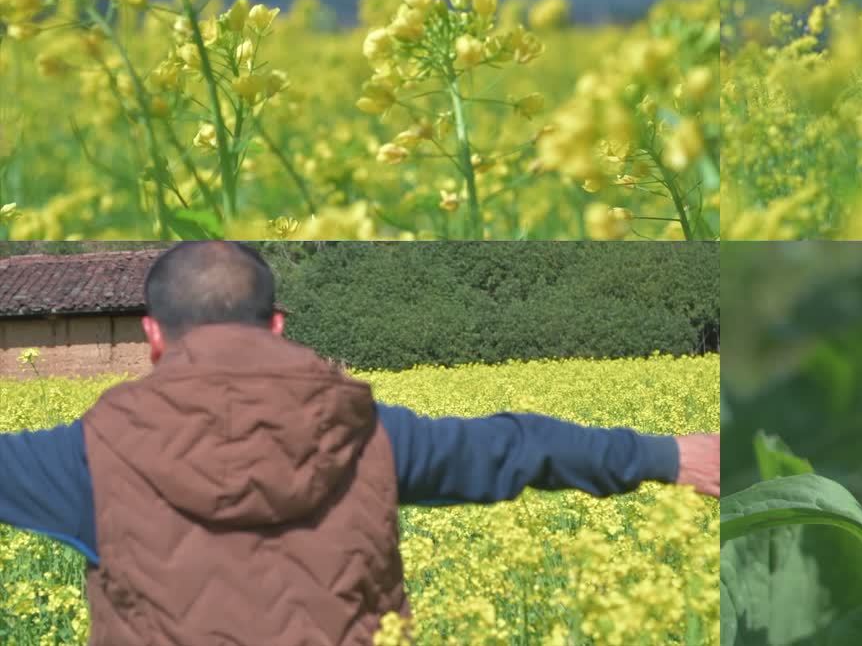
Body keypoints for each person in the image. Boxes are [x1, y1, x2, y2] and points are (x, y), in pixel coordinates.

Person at [0, 241, 720, 645]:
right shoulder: (367, 431)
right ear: (277, 325)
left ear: (151, 335)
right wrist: (669, 456)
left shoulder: (83, 457)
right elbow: (515, 447)